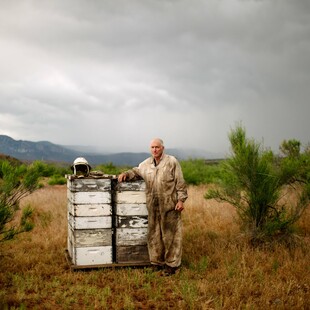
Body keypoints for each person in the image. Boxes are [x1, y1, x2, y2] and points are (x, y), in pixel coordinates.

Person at [118, 138, 188, 275]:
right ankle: (157, 263)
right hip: (153, 206)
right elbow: (136, 172)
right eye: (152, 147)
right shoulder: (145, 164)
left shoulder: (171, 162)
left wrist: (181, 200)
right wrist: (126, 174)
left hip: (170, 205)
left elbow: (180, 182)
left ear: (162, 148)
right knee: (154, 235)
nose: (154, 150)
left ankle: (172, 266)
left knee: (171, 236)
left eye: (157, 147)